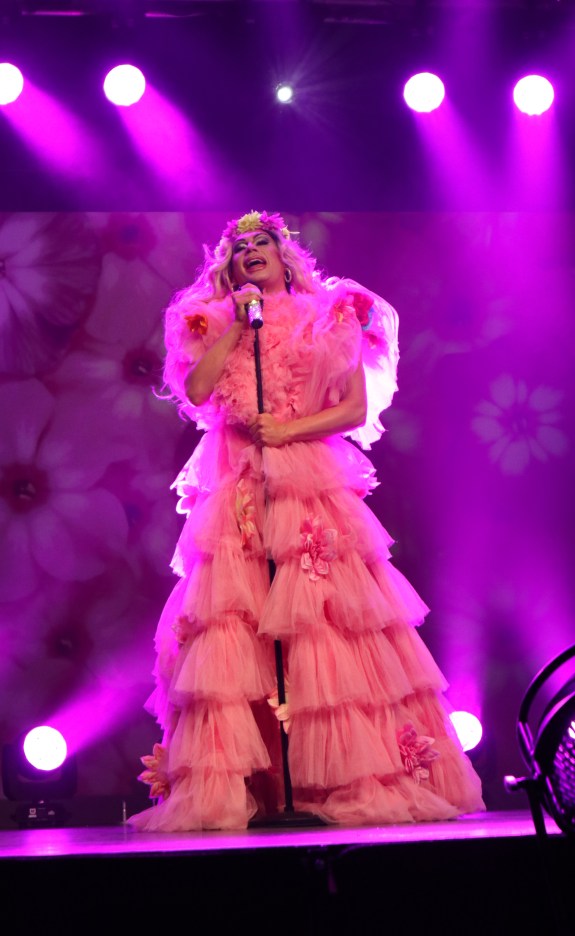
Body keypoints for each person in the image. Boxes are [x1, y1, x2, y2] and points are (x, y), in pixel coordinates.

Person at [129, 210, 484, 832]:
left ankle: (337, 780)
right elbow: (197, 392)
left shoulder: (328, 314)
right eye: (239, 247)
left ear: (284, 254)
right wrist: (233, 329)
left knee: (324, 625)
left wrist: (289, 431)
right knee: (238, 628)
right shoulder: (210, 319)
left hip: (306, 479)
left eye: (262, 242)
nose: (250, 251)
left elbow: (353, 408)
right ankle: (259, 788)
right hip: (238, 486)